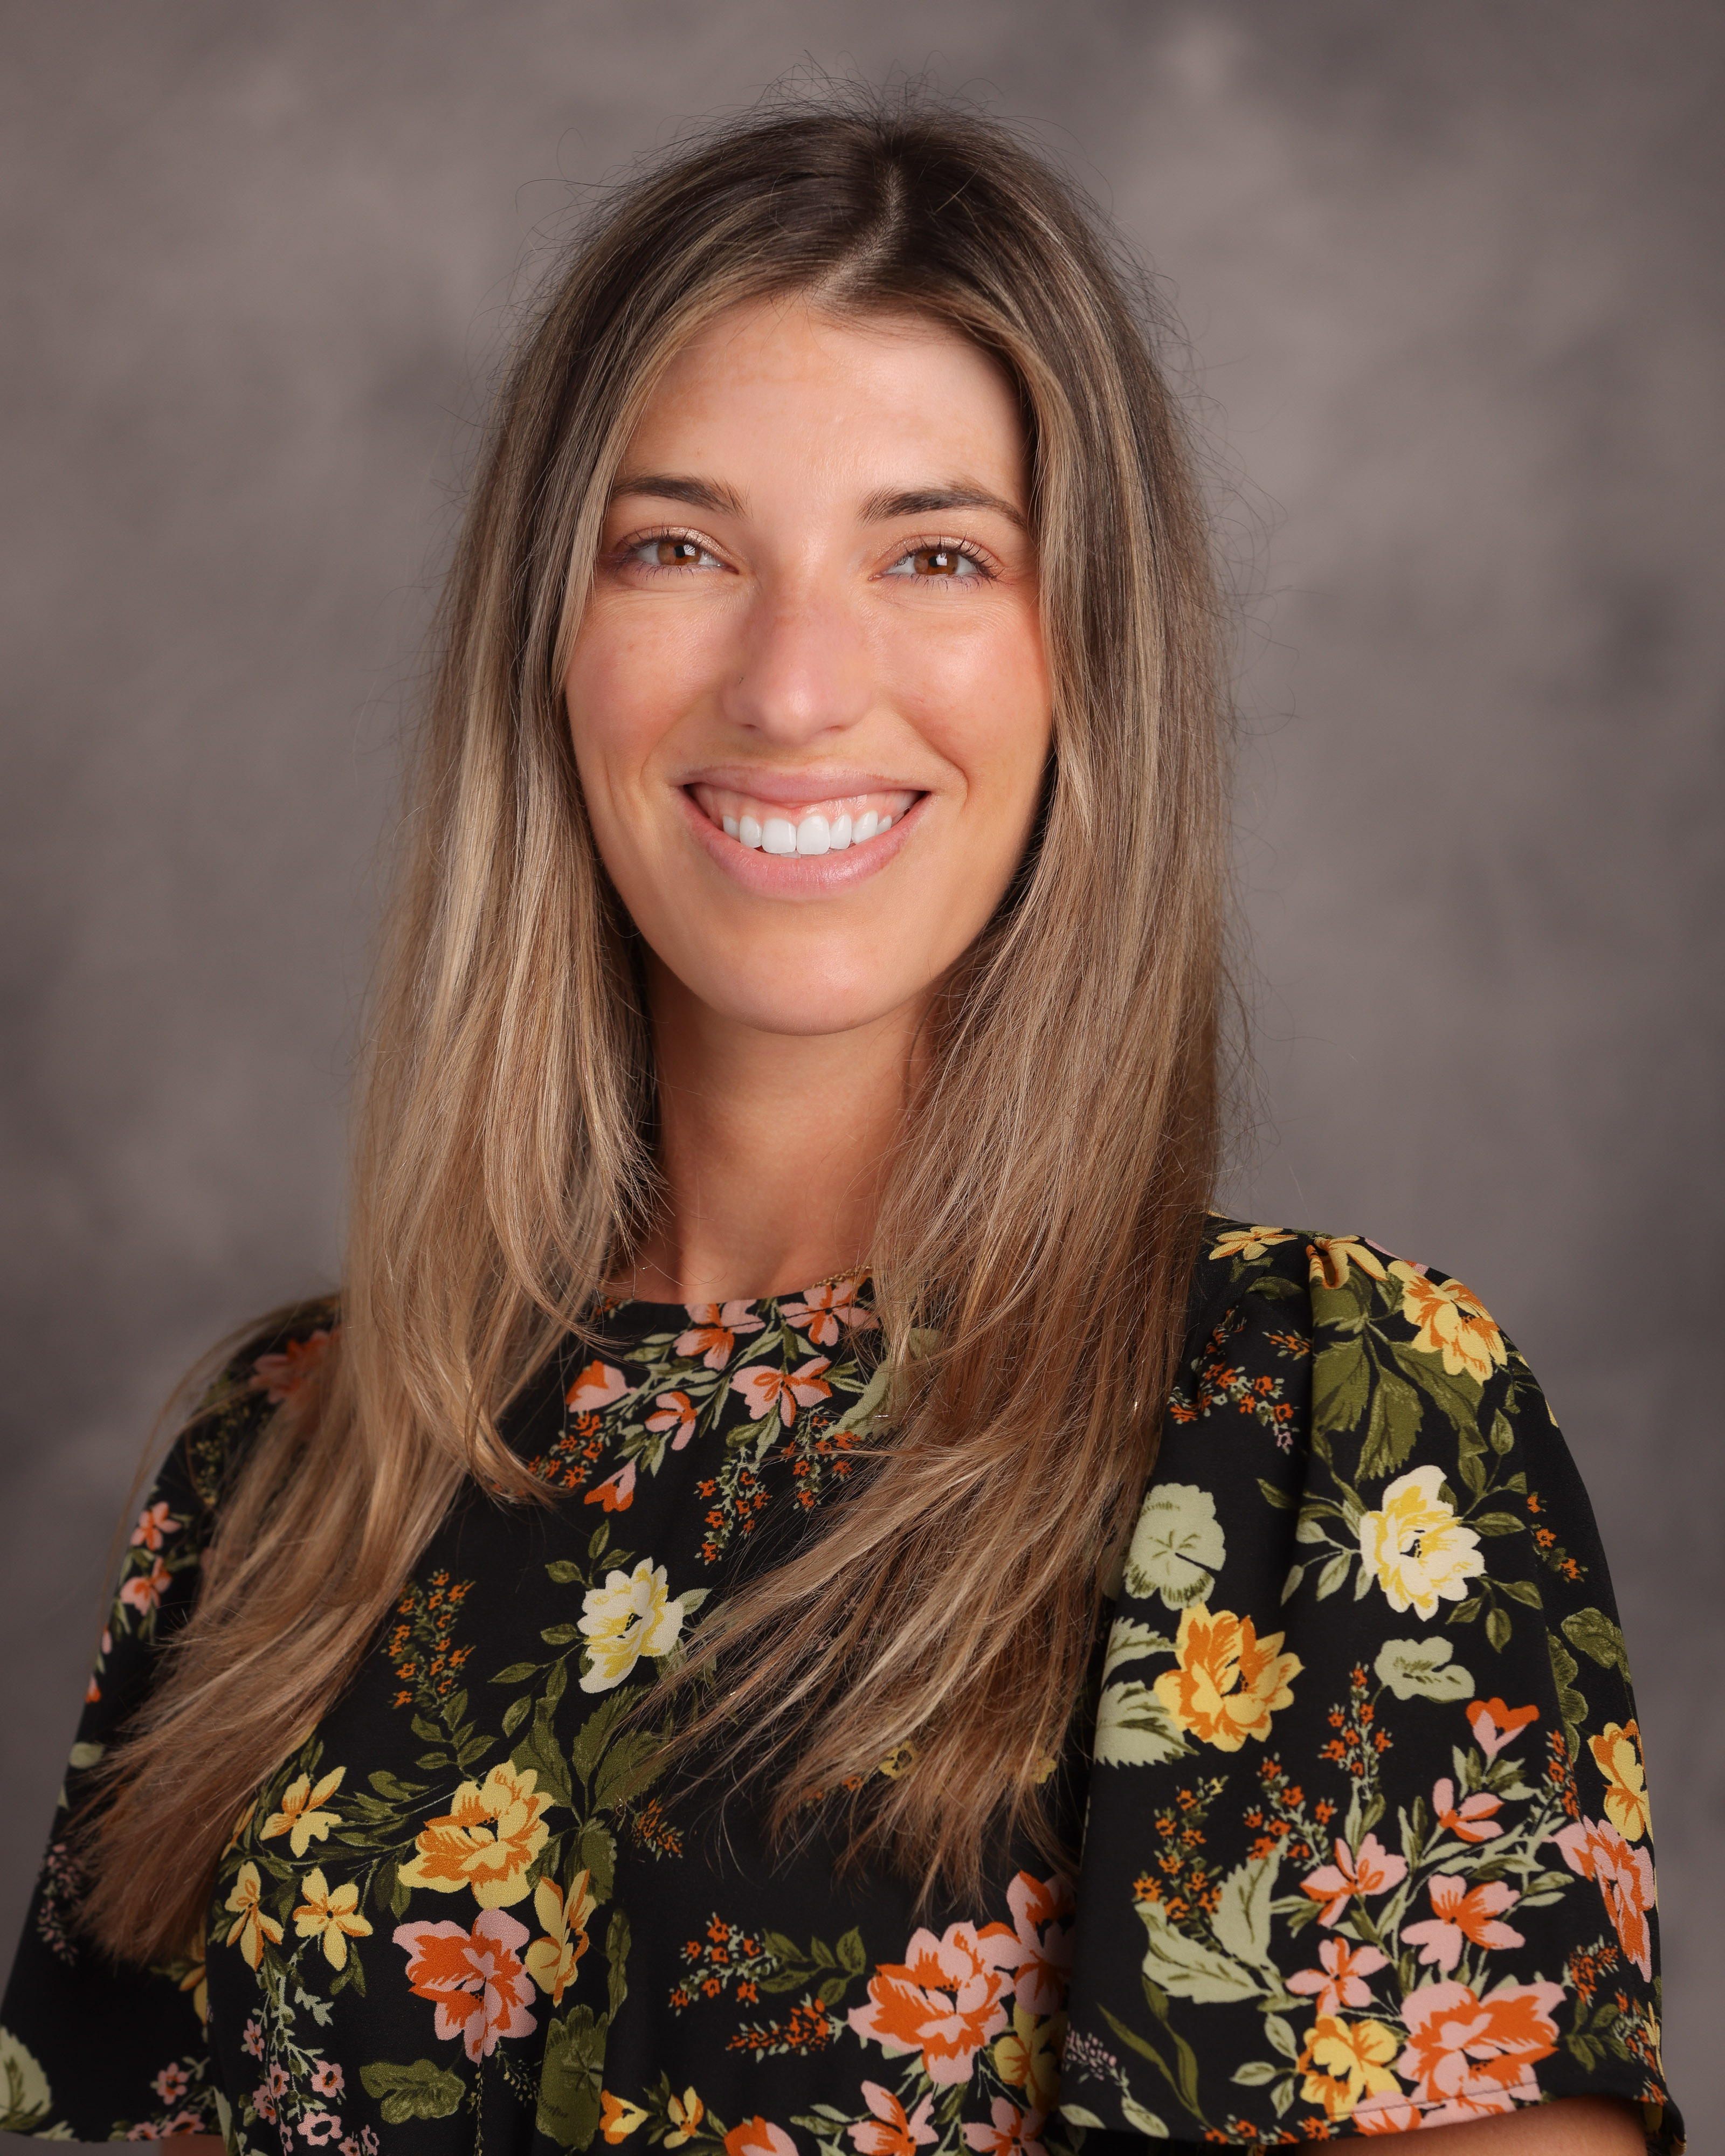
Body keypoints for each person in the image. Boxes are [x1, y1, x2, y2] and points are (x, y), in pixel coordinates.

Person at [0, 95, 1680, 2155]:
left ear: (1088, 663)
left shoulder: (1331, 1436)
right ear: (549, 644)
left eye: (936, 554)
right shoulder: (279, 1465)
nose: (795, 687)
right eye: (679, 548)